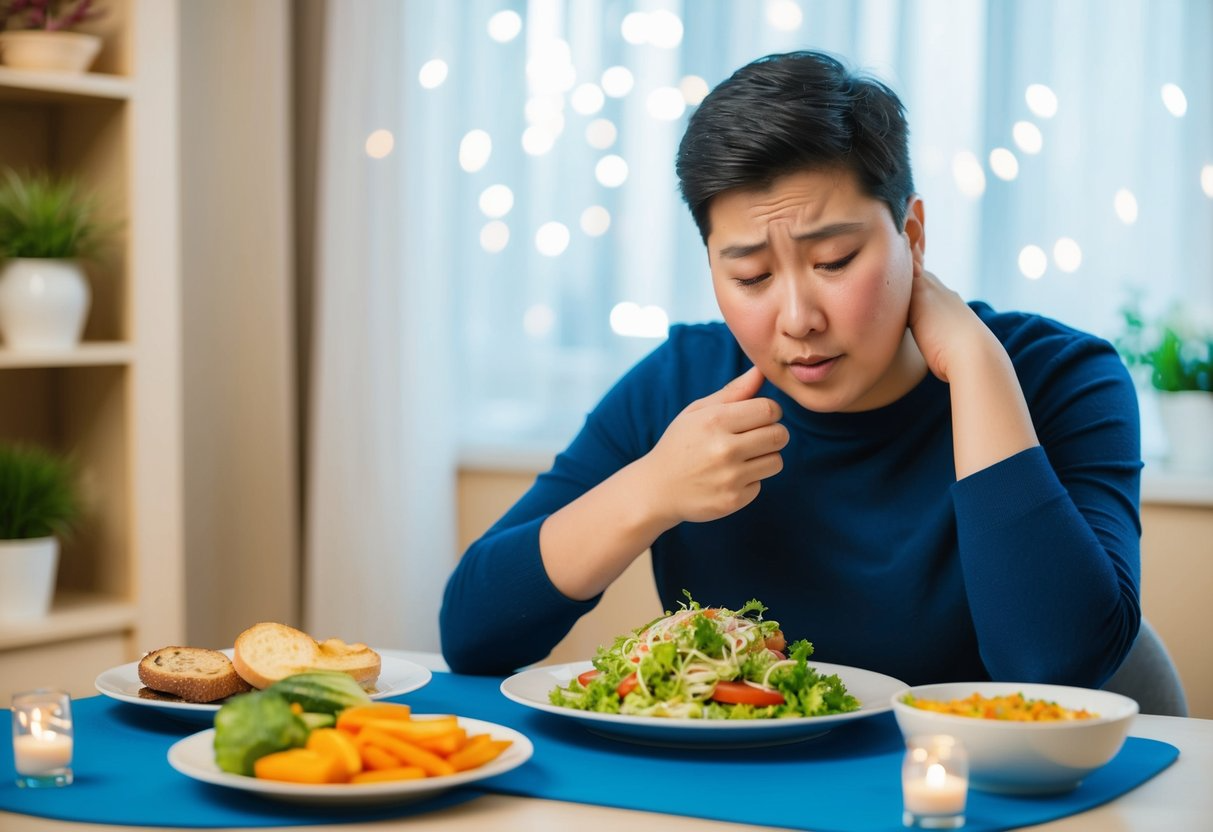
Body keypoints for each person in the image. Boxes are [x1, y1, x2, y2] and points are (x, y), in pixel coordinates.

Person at [439, 50, 1142, 688]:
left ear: (912, 236)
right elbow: (472, 633)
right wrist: (650, 490)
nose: (798, 317)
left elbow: (1055, 666)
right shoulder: (684, 383)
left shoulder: (1063, 378)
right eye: (749, 276)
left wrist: (977, 366)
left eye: (834, 262)